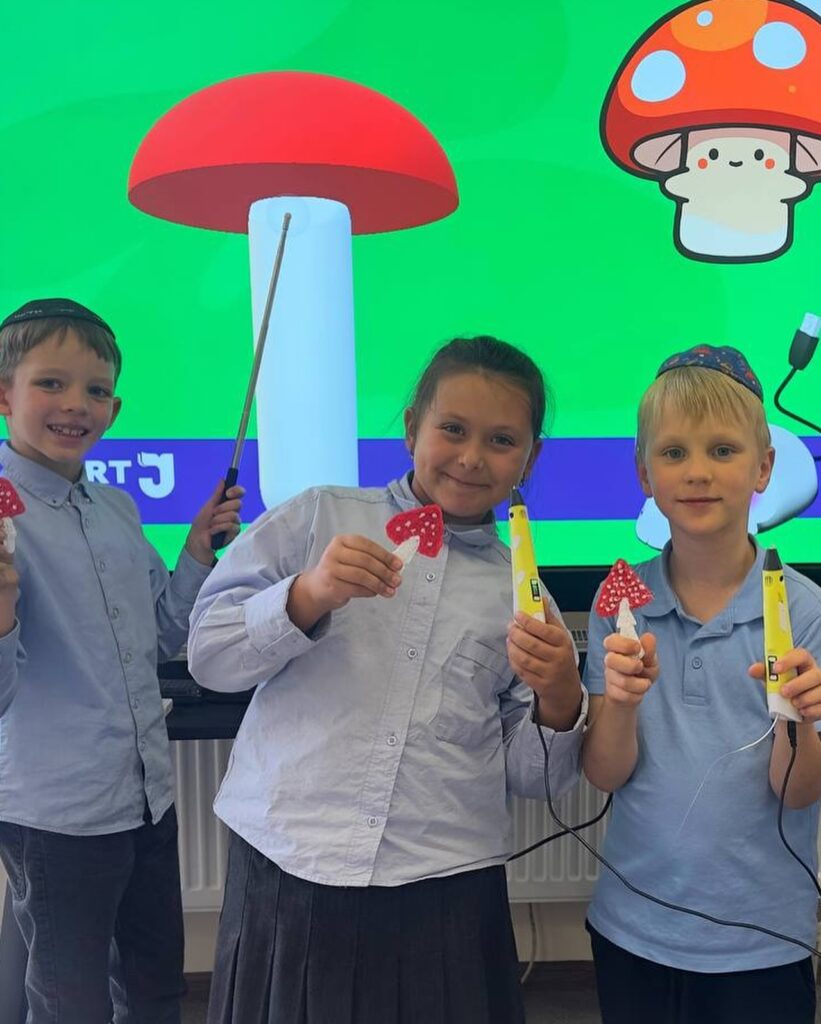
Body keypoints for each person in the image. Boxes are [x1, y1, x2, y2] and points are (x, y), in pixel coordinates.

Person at [188, 334, 588, 1024]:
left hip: (444, 883)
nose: (471, 457)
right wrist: (307, 594)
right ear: (411, 428)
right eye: (452, 429)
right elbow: (209, 655)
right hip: (290, 859)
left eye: (500, 440)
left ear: (530, 458)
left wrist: (559, 697)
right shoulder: (316, 516)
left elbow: (533, 777)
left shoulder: (521, 595)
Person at [0, 298, 243, 1024]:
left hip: (145, 799)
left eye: (96, 389)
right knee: (69, 1001)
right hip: (58, 816)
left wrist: (195, 551)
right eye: (51, 383)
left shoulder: (116, 508)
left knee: (154, 988)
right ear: (4, 394)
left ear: (115, 408)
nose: (76, 404)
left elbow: (161, 635)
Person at [582, 344, 821, 1024]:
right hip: (632, 928)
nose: (696, 472)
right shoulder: (619, 603)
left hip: (762, 940)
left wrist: (796, 716)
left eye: (721, 450)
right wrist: (621, 702)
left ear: (763, 467)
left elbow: (797, 791)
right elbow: (603, 774)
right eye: (673, 453)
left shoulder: (802, 611)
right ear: (643, 473)